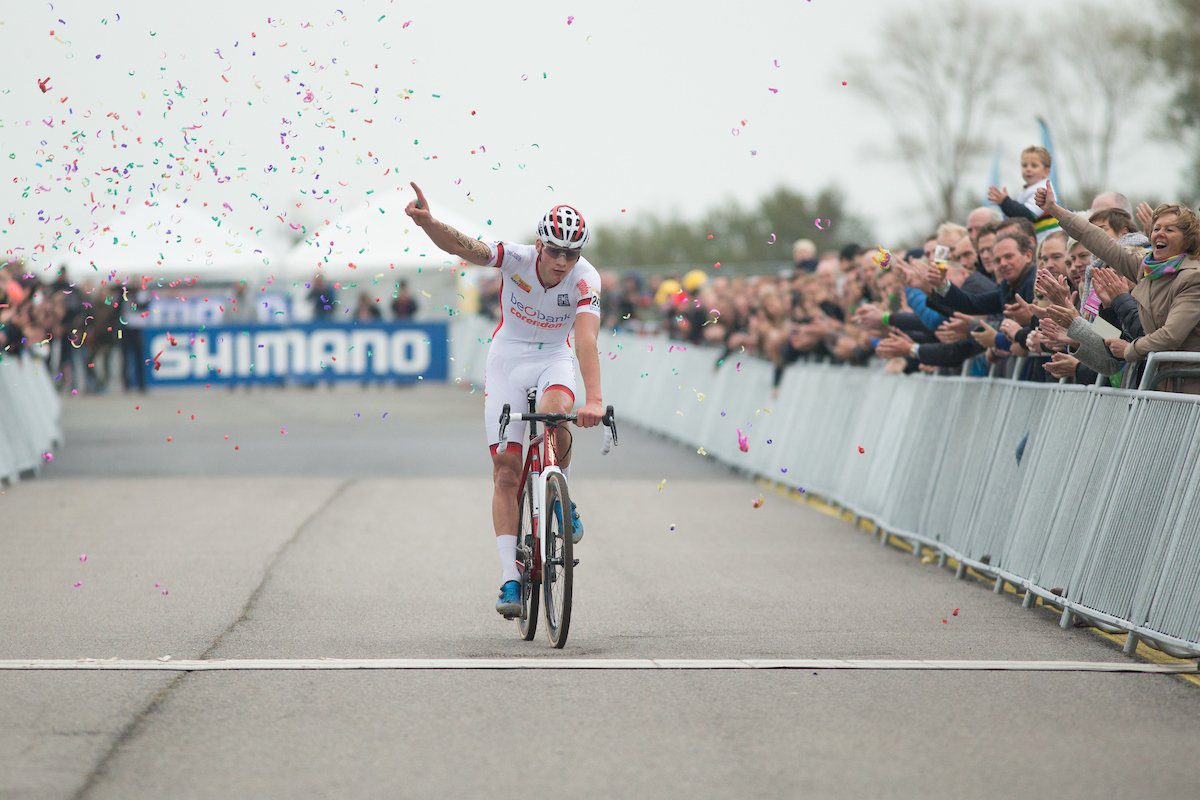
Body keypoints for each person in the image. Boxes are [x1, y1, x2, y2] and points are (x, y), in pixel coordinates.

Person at [405, 182, 605, 618]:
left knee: (556, 417)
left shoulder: (586, 279)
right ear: (540, 245)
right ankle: (510, 579)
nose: (561, 262)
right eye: (554, 251)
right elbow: (467, 248)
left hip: (554, 357)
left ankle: (562, 492)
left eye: (571, 254)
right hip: (507, 361)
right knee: (506, 472)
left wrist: (595, 399)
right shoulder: (515, 258)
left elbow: (586, 339)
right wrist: (429, 225)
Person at [1036, 182, 1200, 393]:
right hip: (1156, 389)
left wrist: (1120, 302)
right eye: (1157, 228)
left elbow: (1147, 338)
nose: (1077, 265)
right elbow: (1111, 345)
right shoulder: (1145, 270)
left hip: (1184, 391)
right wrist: (1075, 327)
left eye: (1169, 229)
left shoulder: (1184, 275)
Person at [987, 145, 1062, 241]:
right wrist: (1004, 204)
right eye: (1024, 165)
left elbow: (1027, 215)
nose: (1028, 169)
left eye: (1034, 165)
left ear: (1046, 172)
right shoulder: (1027, 190)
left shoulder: (1043, 189)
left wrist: (1005, 202)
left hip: (1049, 240)